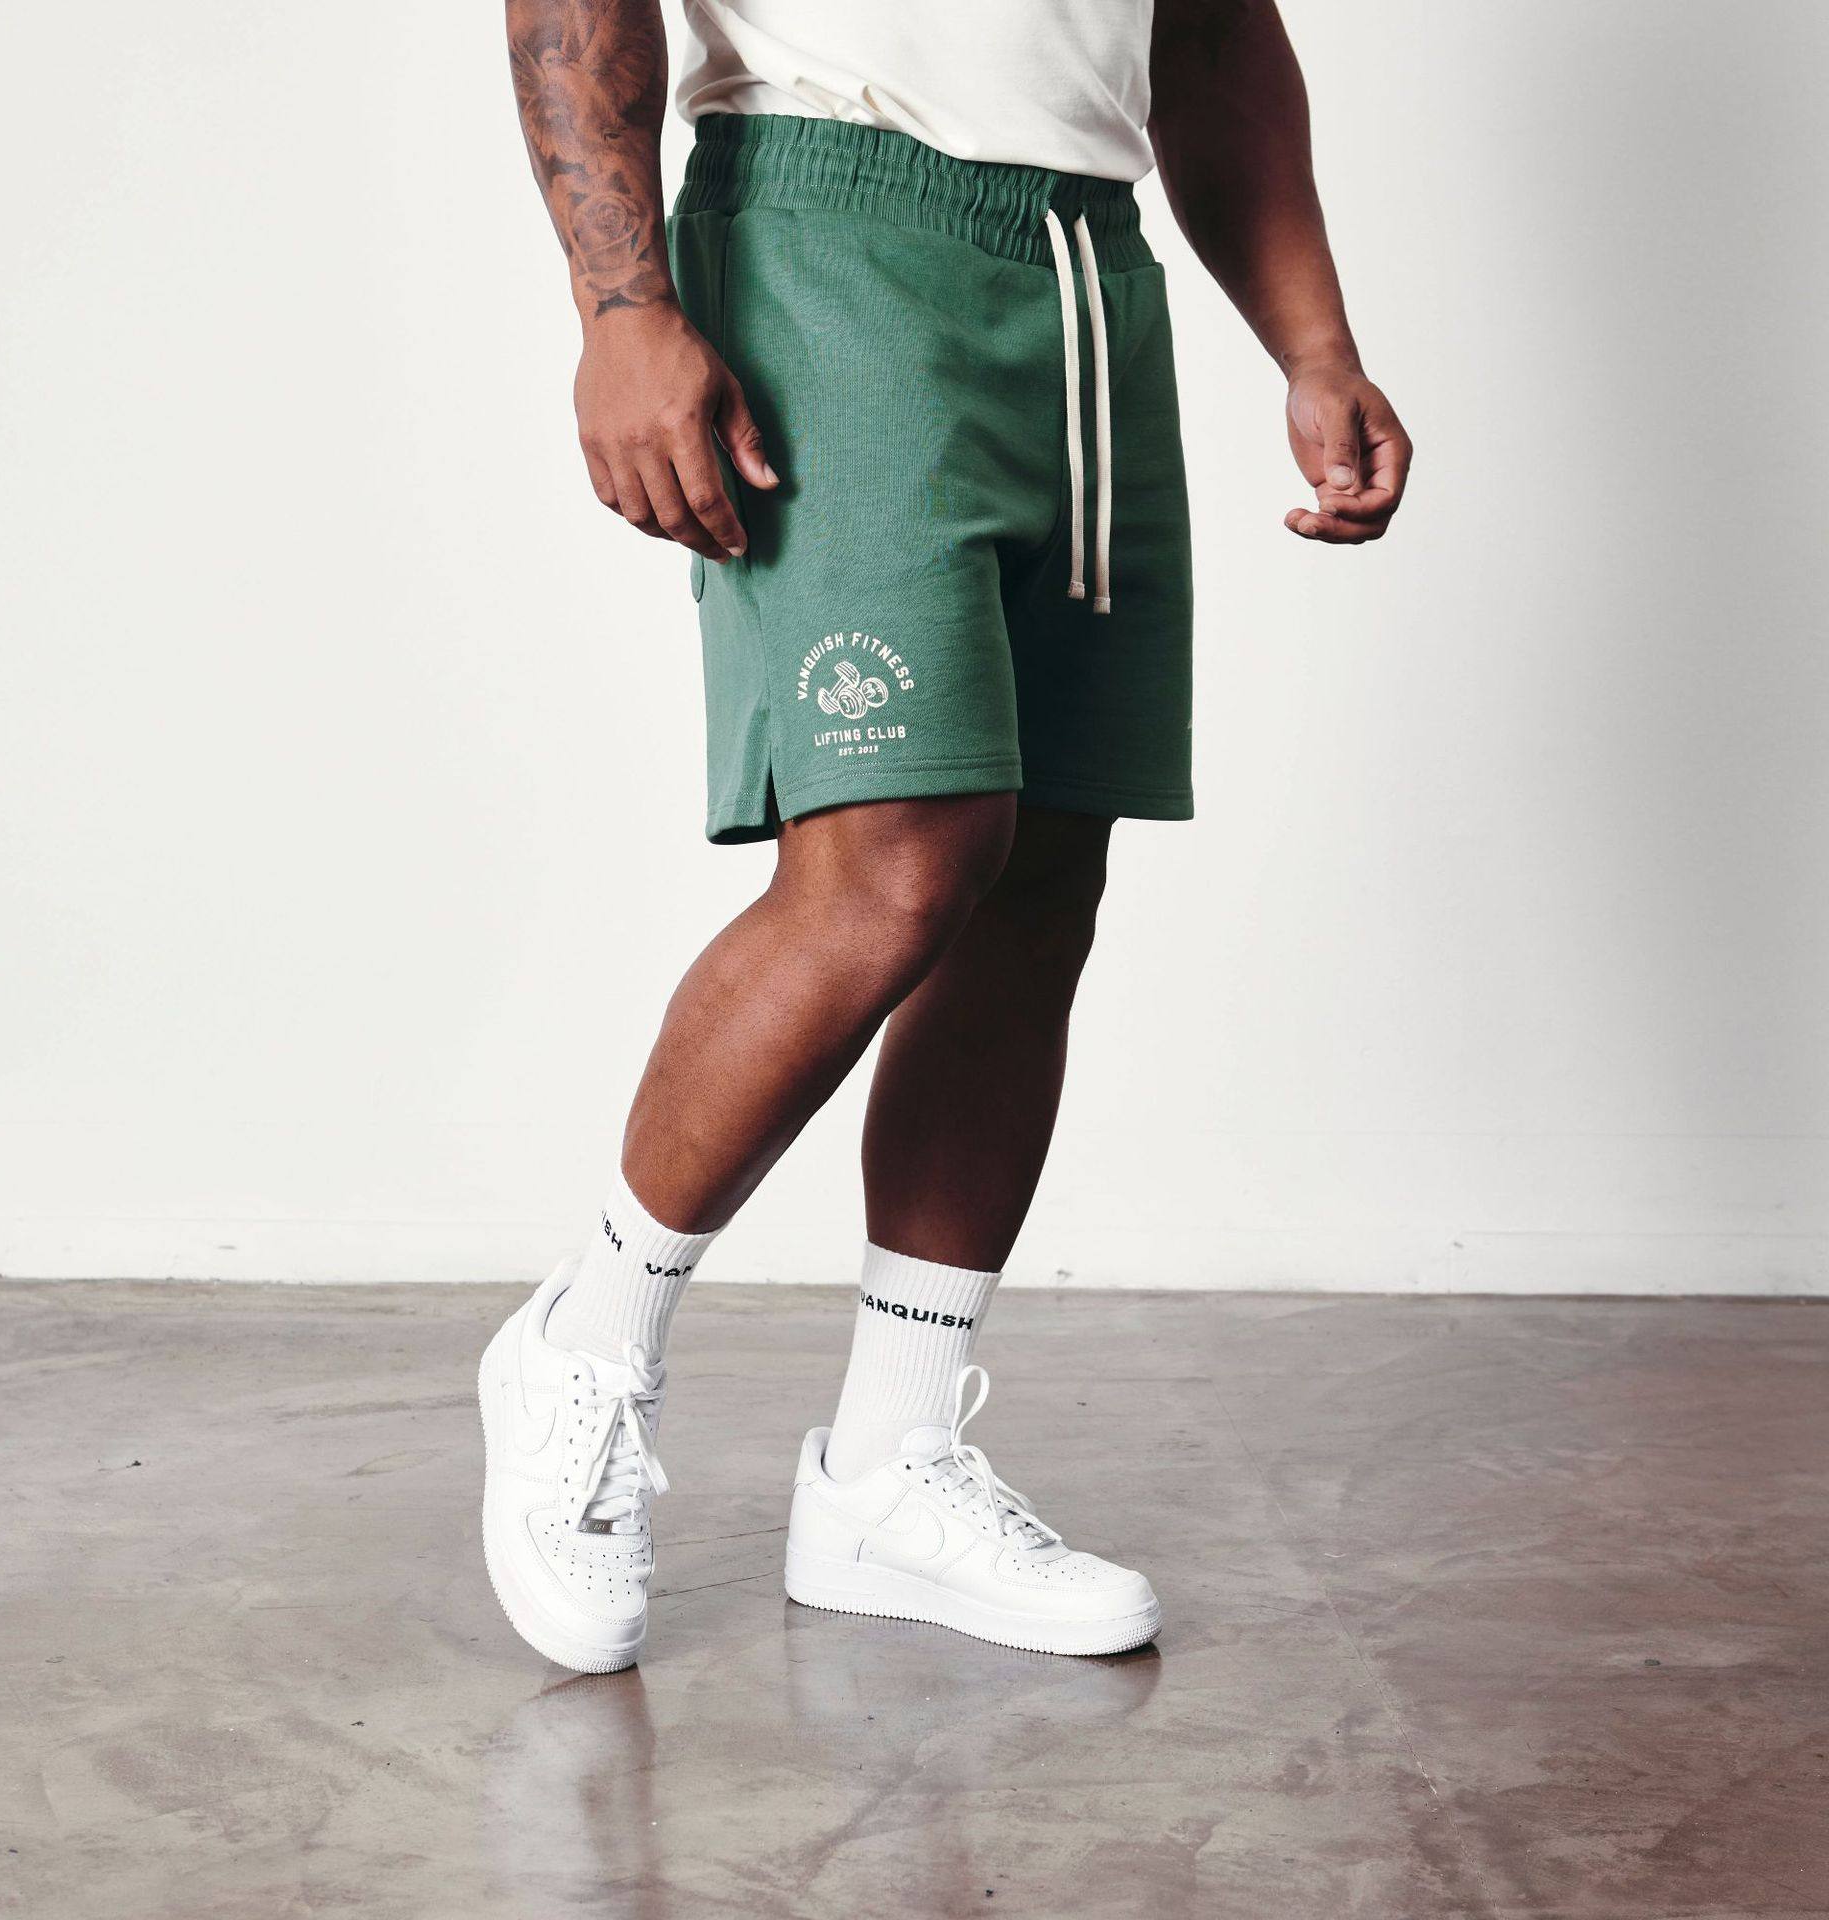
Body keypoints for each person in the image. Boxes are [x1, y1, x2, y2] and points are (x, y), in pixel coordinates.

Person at [480, 0, 1412, 1672]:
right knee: (896, 863)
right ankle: (584, 1339)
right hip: (828, 227)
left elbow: (1209, 39)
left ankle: (889, 1467)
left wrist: (1315, 345)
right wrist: (622, 309)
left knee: (1038, 877)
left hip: (1088, 271)